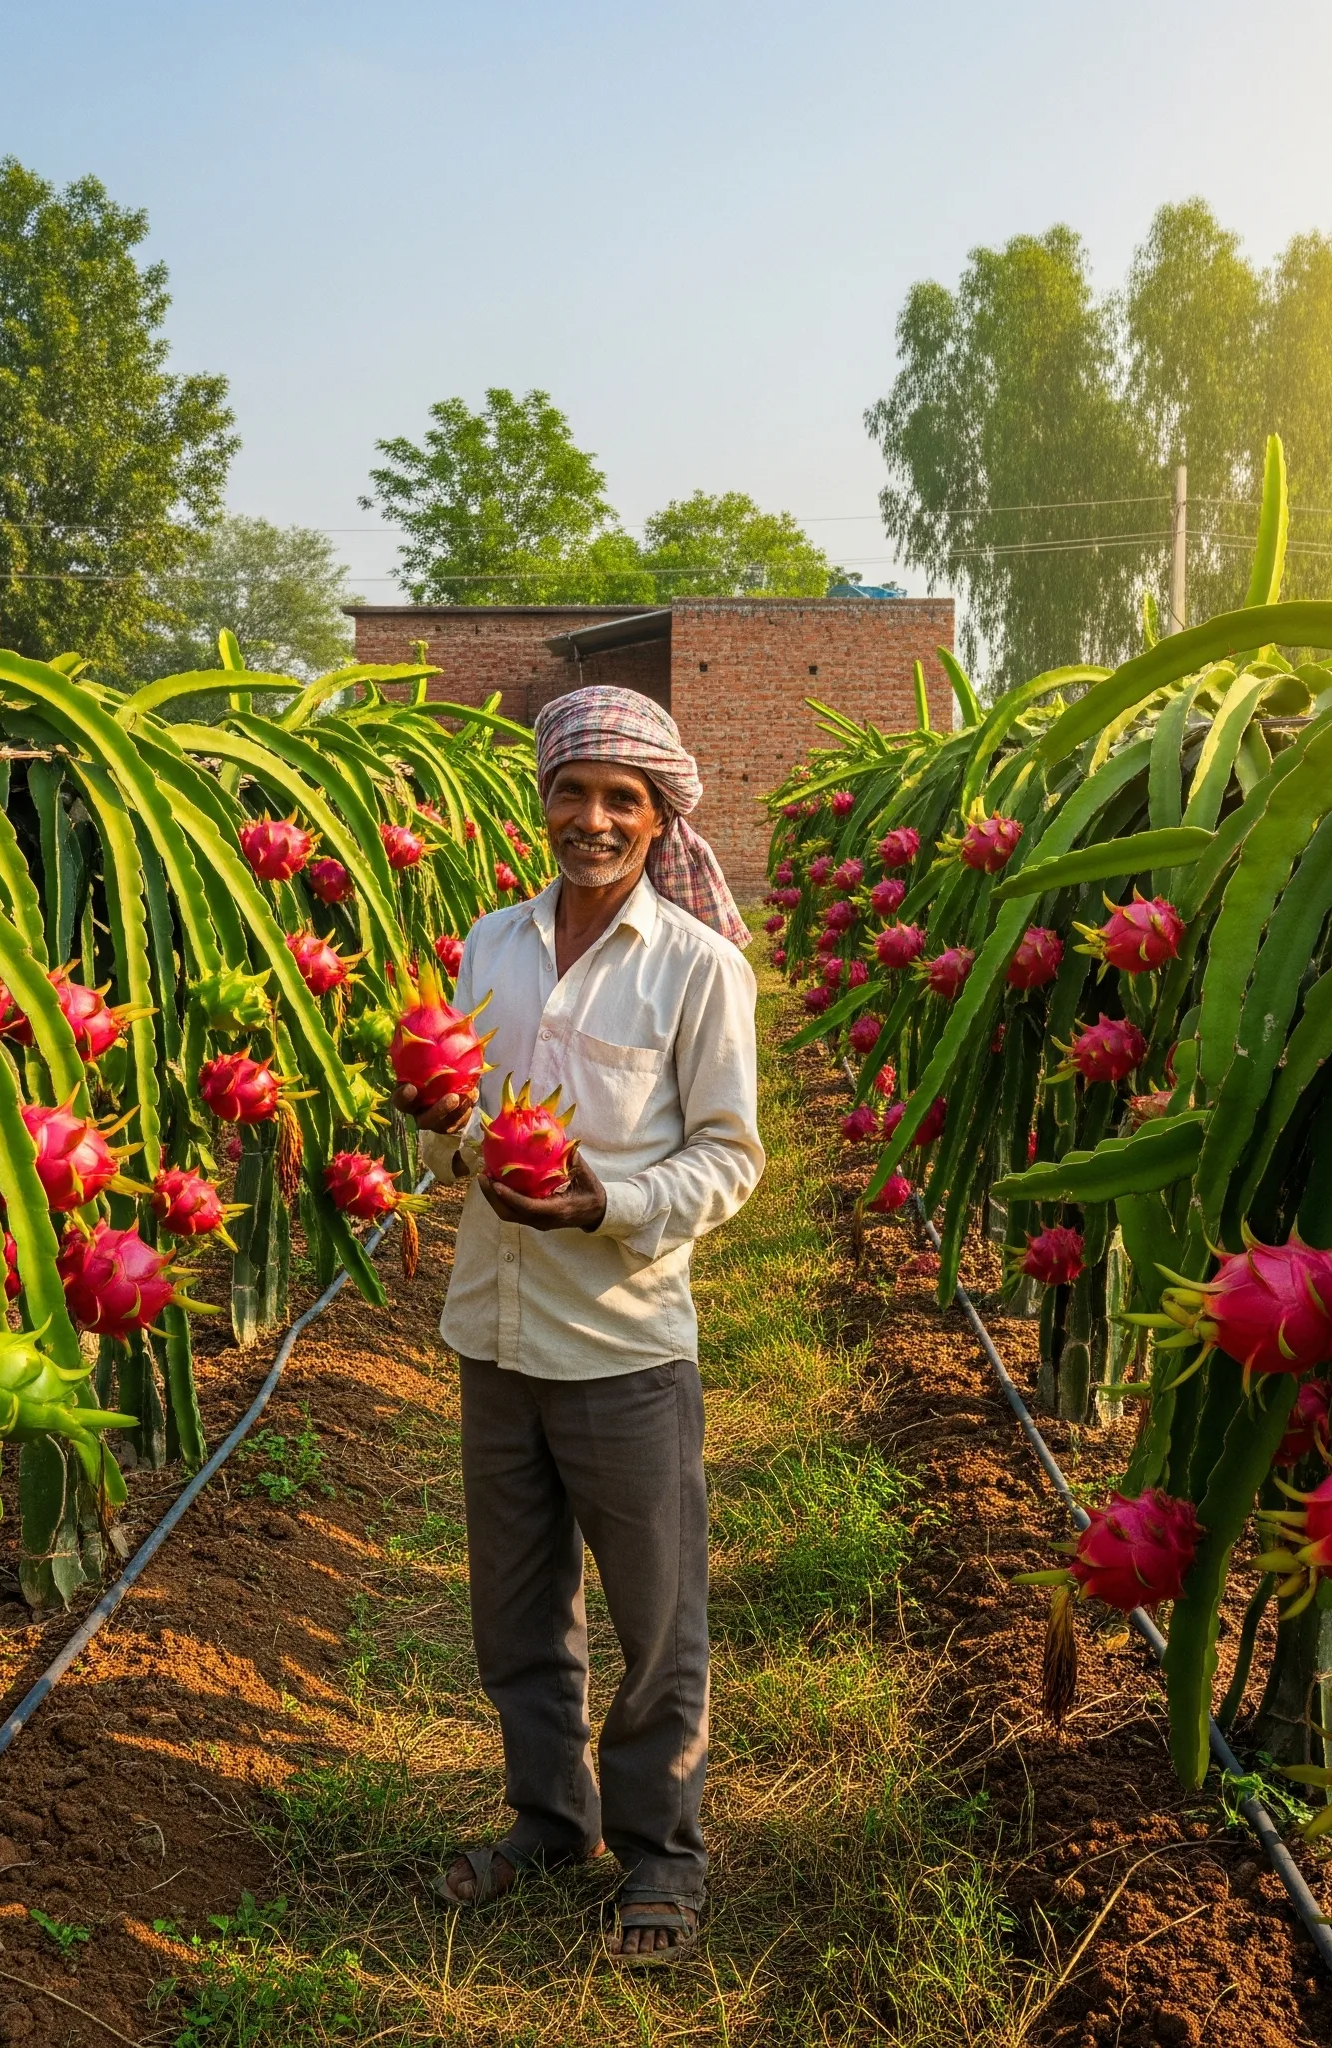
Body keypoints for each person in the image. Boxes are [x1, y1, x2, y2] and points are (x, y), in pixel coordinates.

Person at [395, 684, 763, 1966]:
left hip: (623, 1341)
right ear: (541, 802)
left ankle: (662, 1849)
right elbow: (447, 1131)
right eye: (572, 791)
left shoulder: (697, 965)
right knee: (515, 1610)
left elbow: (729, 1157)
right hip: (491, 1333)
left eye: (622, 797)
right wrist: (436, 1121)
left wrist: (601, 1198)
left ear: (662, 816)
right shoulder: (487, 944)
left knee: (654, 1617)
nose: (592, 817)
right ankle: (548, 1821)